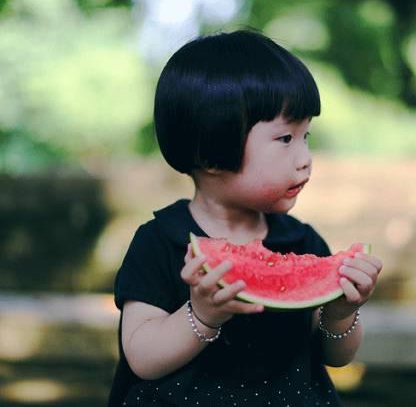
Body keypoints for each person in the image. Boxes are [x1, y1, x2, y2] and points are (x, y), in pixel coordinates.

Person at [108, 29, 383, 407]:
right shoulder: (159, 242)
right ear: (211, 153)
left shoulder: (302, 242)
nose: (304, 157)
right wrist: (201, 316)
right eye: (285, 139)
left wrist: (341, 315)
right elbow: (142, 357)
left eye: (307, 136)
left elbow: (336, 356)